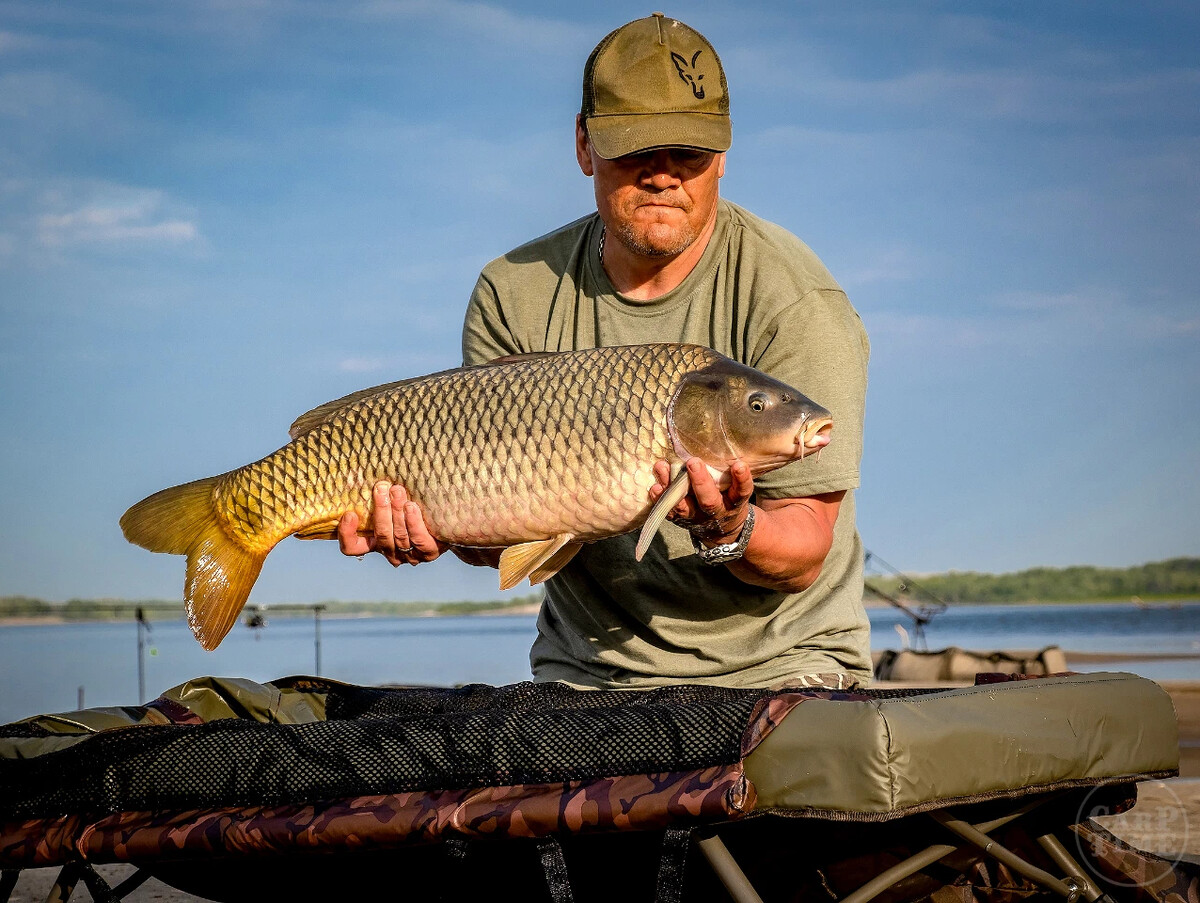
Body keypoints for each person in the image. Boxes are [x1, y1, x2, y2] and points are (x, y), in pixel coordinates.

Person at [338, 13, 871, 690]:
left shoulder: (794, 299)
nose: (664, 175)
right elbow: (499, 532)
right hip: (584, 674)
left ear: (724, 156)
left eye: (689, 152)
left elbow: (804, 549)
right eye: (637, 149)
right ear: (585, 146)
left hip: (777, 669)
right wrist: (436, 527)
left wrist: (731, 528)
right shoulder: (514, 291)